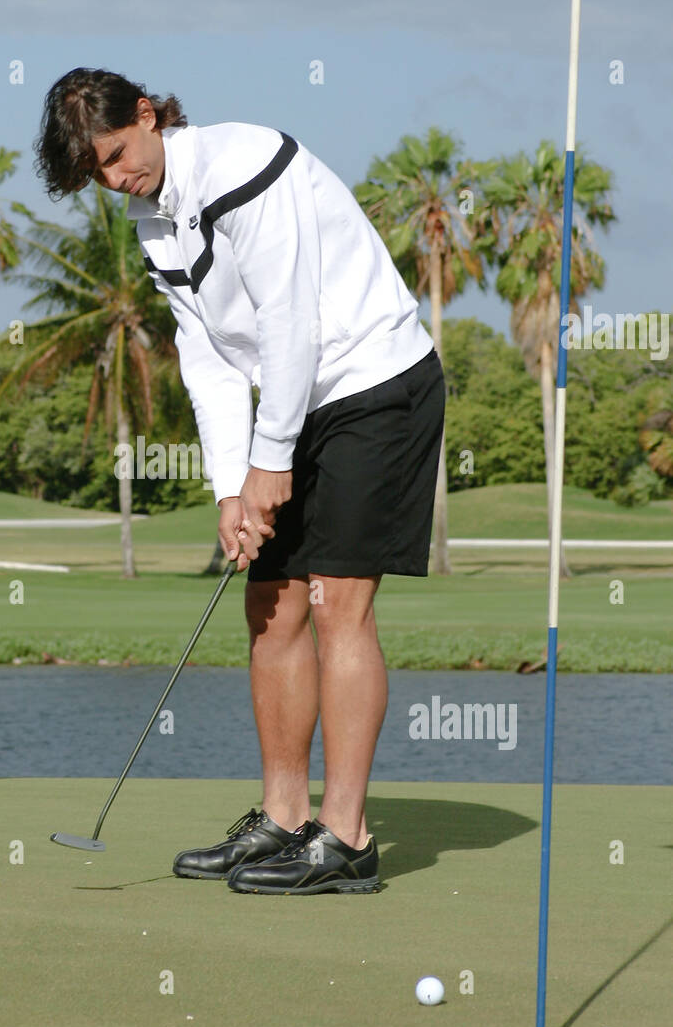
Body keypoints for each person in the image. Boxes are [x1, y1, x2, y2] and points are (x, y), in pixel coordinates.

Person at [34, 67, 445, 895]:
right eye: (98, 175)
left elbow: (294, 322)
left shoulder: (247, 163)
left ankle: (347, 836)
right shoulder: (155, 222)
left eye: (117, 155)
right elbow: (211, 358)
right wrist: (232, 487)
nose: (117, 180)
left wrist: (271, 460)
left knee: (337, 600)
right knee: (271, 605)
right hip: (296, 404)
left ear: (146, 115)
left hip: (375, 384)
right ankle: (285, 819)